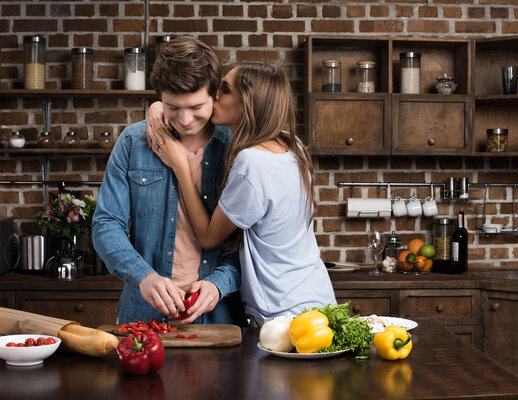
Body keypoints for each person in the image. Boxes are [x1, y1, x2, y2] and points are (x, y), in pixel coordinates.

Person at [146, 61, 336, 325]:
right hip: (317, 298)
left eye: (224, 90)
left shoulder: (252, 163)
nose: (214, 96)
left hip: (284, 314)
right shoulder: (293, 146)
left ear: (248, 102)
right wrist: (158, 107)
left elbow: (209, 237)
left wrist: (180, 165)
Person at [92, 36, 244, 325]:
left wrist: (220, 283)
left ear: (215, 95)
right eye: (173, 107)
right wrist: (143, 276)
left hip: (218, 315)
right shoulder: (133, 142)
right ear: (159, 98)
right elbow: (105, 224)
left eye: (196, 106)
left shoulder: (235, 150)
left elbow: (246, 239)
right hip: (142, 311)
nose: (185, 119)